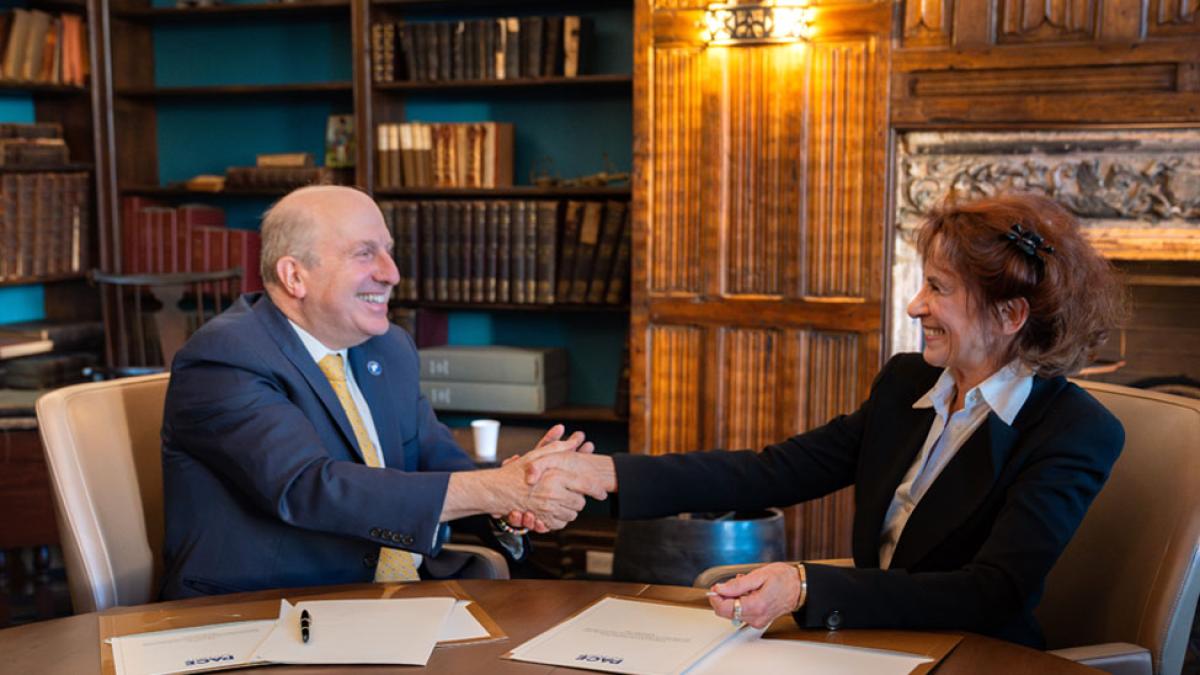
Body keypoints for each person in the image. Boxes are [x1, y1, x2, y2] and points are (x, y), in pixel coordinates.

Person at [521, 192, 1126, 647]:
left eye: (939, 289)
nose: (916, 306)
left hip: (976, 656)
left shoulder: (1075, 431)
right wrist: (601, 474)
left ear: (1010, 314)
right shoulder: (907, 383)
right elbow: (773, 472)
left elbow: (994, 592)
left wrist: (808, 586)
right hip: (869, 645)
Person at [160, 185, 606, 599]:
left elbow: (437, 460)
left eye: (389, 252)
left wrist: (513, 495)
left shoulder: (388, 346)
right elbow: (310, 488)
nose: (391, 273)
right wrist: (496, 490)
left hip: (396, 598)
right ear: (295, 276)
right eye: (364, 254)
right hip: (271, 607)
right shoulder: (226, 358)